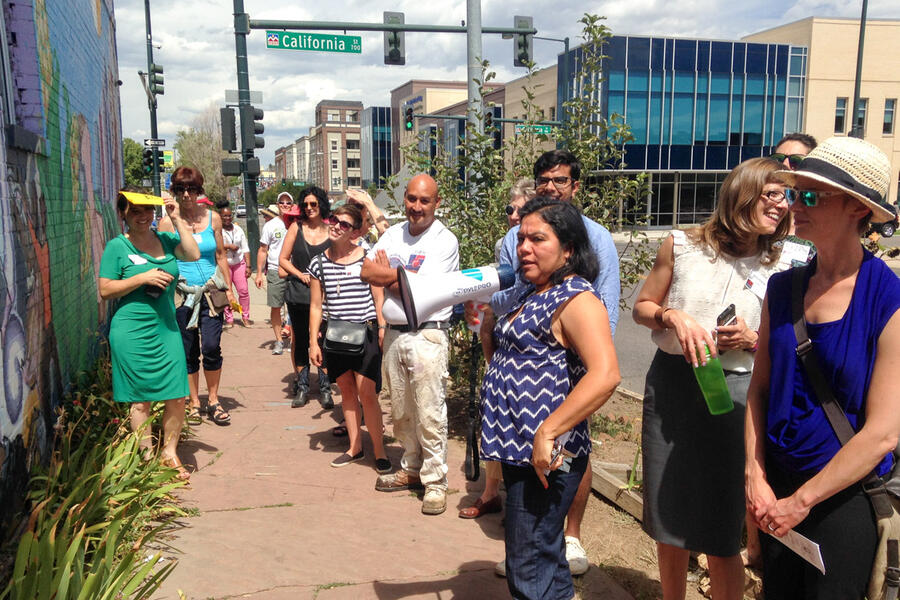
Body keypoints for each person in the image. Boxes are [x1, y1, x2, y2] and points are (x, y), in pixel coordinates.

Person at [745, 136, 900, 599]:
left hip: (843, 500)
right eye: (795, 193)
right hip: (775, 493)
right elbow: (759, 392)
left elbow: (883, 433)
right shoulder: (782, 288)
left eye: (811, 195)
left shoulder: (887, 298)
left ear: (857, 208)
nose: (796, 205)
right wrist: (755, 479)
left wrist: (801, 502)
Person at [632, 157, 792, 600]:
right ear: (745, 191)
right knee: (669, 516)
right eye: (773, 194)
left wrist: (752, 337)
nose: (782, 205)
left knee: (723, 527)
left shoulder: (782, 265)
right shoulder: (681, 245)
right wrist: (672, 316)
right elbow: (641, 307)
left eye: (787, 197)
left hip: (737, 396)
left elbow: (789, 344)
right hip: (673, 388)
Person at [476, 150, 620, 575]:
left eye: (536, 240)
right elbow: (502, 310)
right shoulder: (532, 281)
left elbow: (605, 367)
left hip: (547, 438)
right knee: (532, 558)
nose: (524, 248)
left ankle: (568, 541)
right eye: (521, 239)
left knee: (536, 563)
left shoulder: (575, 293)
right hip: (518, 439)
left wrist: (553, 428)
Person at [360, 173, 459, 516]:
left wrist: (389, 276)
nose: (417, 207)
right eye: (412, 199)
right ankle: (412, 467)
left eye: (425, 201)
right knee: (401, 410)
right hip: (397, 333)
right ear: (404, 199)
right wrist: (398, 279)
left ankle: (435, 482)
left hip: (427, 334)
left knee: (429, 410)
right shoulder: (392, 234)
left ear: (437, 202)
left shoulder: (444, 241)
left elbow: (424, 292)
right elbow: (366, 271)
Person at [99, 190, 200, 480]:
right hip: (131, 330)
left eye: (147, 211)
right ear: (123, 215)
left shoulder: (165, 239)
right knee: (140, 400)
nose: (143, 217)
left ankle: (169, 453)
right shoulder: (116, 247)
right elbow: (105, 290)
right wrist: (142, 277)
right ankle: (145, 458)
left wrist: (176, 217)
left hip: (165, 327)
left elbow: (192, 254)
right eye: (135, 212)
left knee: (177, 395)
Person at [459, 176, 535, 520]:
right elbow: (503, 291)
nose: (513, 216)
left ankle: (522, 503)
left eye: (520, 210)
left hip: (531, 339)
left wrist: (494, 304)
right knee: (496, 417)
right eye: (510, 209)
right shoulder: (507, 241)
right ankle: (492, 493)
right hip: (502, 335)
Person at [308, 203, 391, 474]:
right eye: (334, 220)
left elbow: (378, 294)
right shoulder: (318, 262)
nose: (335, 226)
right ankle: (355, 447)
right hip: (335, 335)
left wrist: (381, 328)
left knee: (367, 393)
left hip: (364, 333)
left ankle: (379, 451)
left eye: (344, 224)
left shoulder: (365, 256)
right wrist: (312, 342)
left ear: (354, 232)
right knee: (346, 392)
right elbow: (316, 306)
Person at [158, 167, 235, 427]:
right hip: (182, 294)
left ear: (199, 190)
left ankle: (213, 400)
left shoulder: (212, 218)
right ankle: (194, 402)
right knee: (188, 349)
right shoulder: (167, 222)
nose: (187, 194)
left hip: (212, 291)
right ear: (174, 192)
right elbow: (164, 259)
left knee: (211, 346)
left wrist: (229, 288)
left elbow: (221, 255)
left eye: (191, 189)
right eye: (180, 189)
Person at [279, 186, 333, 408]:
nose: (310, 208)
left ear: (321, 205)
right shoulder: (295, 228)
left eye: (314, 204)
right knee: (300, 341)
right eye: (306, 205)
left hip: (327, 298)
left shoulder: (332, 230)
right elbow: (283, 259)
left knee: (326, 341)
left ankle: (325, 388)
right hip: (299, 295)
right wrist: (300, 274)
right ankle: (302, 387)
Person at [256, 192, 293, 355]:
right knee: (276, 307)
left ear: (292, 205)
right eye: (282, 202)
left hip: (295, 271)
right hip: (275, 270)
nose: (285, 205)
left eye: (288, 202)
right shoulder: (270, 226)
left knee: (296, 307)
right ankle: (279, 340)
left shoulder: (297, 223)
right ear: (277, 204)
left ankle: (294, 340)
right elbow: (263, 250)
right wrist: (258, 273)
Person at [217, 200, 251, 328]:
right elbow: (215, 246)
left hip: (238, 263)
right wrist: (228, 246)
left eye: (229, 215)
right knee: (227, 291)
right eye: (224, 215)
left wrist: (248, 266)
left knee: (243, 291)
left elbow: (246, 248)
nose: (227, 218)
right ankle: (229, 318)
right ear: (220, 216)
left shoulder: (238, 229)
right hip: (225, 264)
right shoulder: (217, 230)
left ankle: (245, 316)